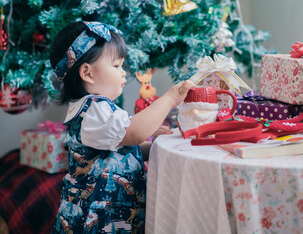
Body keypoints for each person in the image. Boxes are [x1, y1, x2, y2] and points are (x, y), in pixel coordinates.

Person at [49, 21, 195, 234]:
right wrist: (170, 98)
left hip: (115, 216)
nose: (124, 72)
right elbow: (134, 132)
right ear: (87, 73)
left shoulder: (96, 110)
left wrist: (153, 147)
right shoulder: (93, 110)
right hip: (95, 221)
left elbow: (120, 149)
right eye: (116, 66)